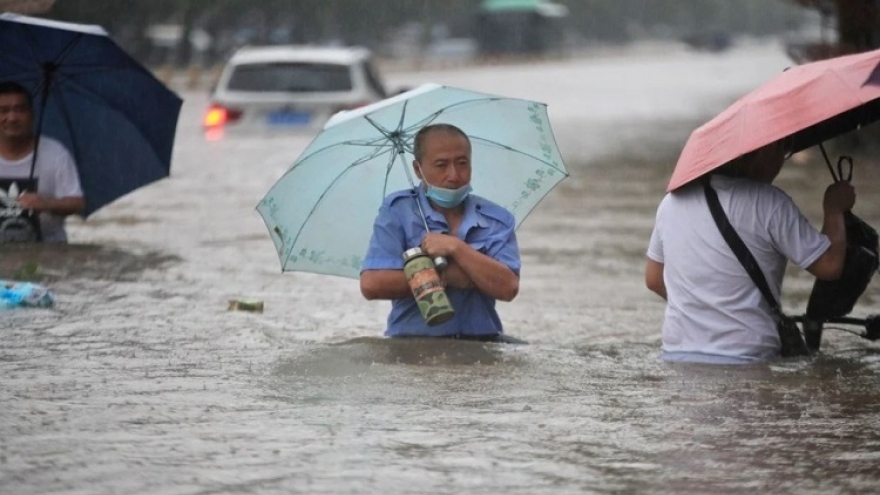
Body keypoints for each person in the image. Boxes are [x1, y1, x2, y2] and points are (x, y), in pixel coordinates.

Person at [645, 139, 856, 364]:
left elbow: (654, 278)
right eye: (780, 150)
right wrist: (834, 210)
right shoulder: (770, 203)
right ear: (759, 153)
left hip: (677, 357)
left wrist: (705, 306)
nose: (780, 161)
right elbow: (829, 265)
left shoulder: (671, 203)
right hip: (747, 359)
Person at [360, 123, 521, 340]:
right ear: (418, 169)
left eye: (462, 163)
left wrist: (456, 248)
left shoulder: (497, 219)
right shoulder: (398, 211)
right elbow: (372, 284)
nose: (454, 175)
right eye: (441, 165)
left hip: (482, 342)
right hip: (412, 344)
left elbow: (508, 287)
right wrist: (450, 275)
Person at [0, 81, 84, 243]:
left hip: (47, 252)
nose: (12, 118)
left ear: (31, 115)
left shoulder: (55, 153)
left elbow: (77, 202)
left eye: (20, 110)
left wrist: (47, 203)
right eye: (3, 111)